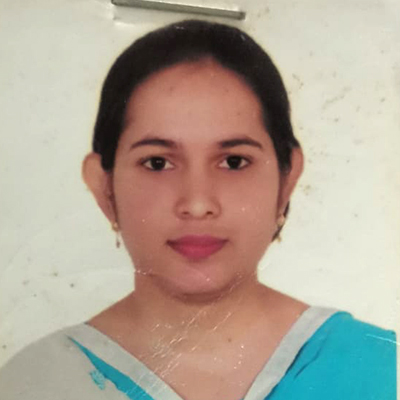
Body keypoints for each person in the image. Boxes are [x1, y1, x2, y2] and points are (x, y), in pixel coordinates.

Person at [0, 19, 396, 400]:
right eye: (157, 163)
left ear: (287, 177)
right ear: (105, 187)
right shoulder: (34, 385)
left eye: (234, 162)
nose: (197, 204)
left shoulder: (381, 369)